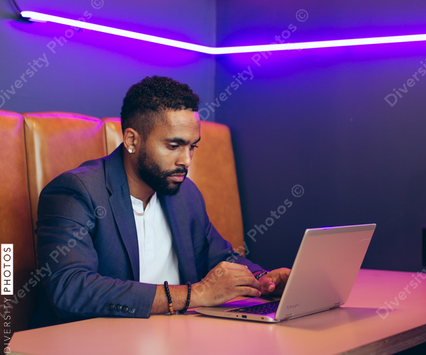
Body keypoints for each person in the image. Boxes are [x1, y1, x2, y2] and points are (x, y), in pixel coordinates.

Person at [30, 76, 290, 328]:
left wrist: (262, 279)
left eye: (192, 147)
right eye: (174, 145)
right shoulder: (76, 192)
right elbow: (70, 288)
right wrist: (194, 295)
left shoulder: (185, 194)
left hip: (179, 339)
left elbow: (220, 257)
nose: (186, 161)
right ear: (132, 140)